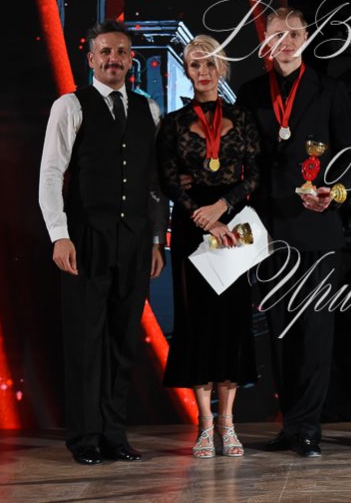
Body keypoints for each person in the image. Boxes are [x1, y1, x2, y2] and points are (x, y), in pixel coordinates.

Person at [39, 20, 166, 465]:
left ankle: (114, 435)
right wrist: (59, 235)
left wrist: (156, 240)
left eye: (122, 52)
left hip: (135, 240)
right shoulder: (70, 105)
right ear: (91, 58)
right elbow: (51, 174)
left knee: (123, 340)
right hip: (86, 237)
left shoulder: (149, 110)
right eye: (106, 51)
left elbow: (153, 183)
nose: (114, 59)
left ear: (131, 60)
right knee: (86, 340)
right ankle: (85, 437)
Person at [236, 6, 351, 458]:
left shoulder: (329, 89)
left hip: (317, 228)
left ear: (306, 37)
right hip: (267, 230)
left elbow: (349, 157)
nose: (285, 41)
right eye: (276, 34)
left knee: (315, 333)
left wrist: (333, 193)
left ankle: (308, 427)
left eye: (294, 33)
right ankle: (291, 424)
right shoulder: (250, 92)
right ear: (264, 40)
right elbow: (240, 158)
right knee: (280, 332)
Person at [157, 35, 260, 458]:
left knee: (232, 322)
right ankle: (204, 425)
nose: (203, 71)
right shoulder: (173, 122)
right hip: (191, 227)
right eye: (195, 64)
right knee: (196, 322)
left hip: (233, 226)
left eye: (209, 63)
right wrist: (201, 215)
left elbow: (254, 174)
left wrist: (221, 208)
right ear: (187, 70)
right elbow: (167, 179)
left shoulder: (243, 117)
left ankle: (228, 423)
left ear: (222, 68)